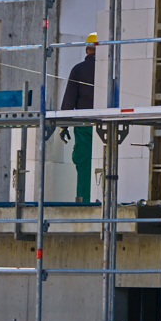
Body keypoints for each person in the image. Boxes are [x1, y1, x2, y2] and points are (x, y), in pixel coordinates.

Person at [59, 34, 97, 203]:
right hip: (108, 123)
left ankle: (83, 202)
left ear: (87, 49)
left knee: (83, 163)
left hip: (84, 124)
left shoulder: (78, 69)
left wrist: (63, 126)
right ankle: (104, 201)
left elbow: (69, 100)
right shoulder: (111, 68)